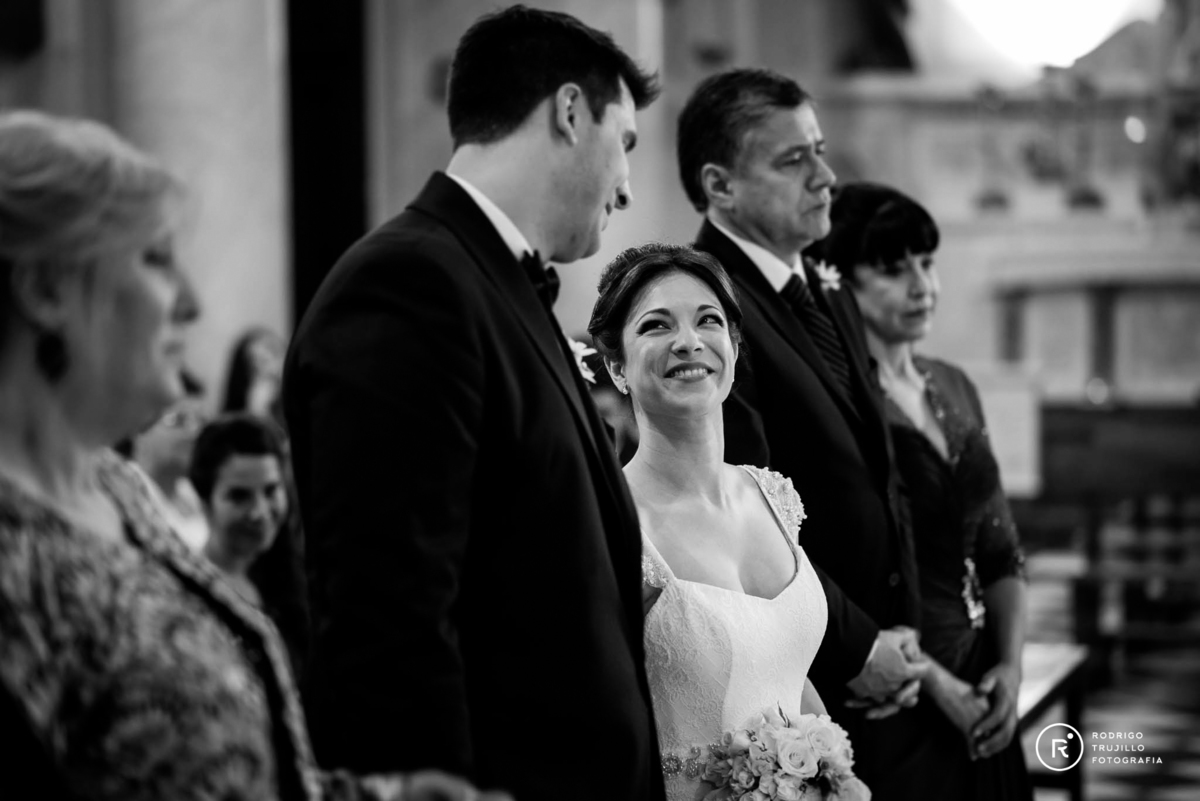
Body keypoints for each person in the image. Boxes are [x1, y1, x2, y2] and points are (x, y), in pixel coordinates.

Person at [0, 109, 506, 801]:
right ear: (45, 290)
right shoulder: (12, 553)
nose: (191, 303)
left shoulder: (113, 485)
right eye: (153, 259)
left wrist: (386, 796)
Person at [282, 6, 665, 801]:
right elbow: (389, 615)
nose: (627, 184)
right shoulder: (411, 285)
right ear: (567, 112)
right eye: (623, 143)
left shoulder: (496, 286)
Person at [677, 68, 928, 792]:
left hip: (883, 654)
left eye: (819, 150)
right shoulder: (707, 308)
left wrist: (902, 624)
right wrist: (860, 646)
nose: (827, 177)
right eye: (794, 160)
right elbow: (747, 513)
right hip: (804, 672)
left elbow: (876, 468)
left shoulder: (821, 281)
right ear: (720, 186)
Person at [588, 243, 870, 801]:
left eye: (709, 320)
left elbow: (783, 668)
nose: (688, 342)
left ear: (734, 349)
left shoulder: (771, 495)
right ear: (617, 367)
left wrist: (835, 775)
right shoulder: (611, 519)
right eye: (655, 325)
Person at [807, 181, 1032, 799]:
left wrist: (1010, 669)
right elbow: (839, 565)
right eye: (891, 269)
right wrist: (936, 683)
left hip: (983, 669)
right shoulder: (842, 405)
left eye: (926, 263)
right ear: (840, 281)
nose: (922, 286)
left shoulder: (953, 384)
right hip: (895, 682)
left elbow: (999, 547)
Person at [191, 412, 311, 679]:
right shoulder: (194, 591)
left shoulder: (297, 575)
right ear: (205, 503)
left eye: (270, 491)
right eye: (239, 496)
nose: (259, 512)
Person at [126, 368, 210, 550]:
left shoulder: (192, 494)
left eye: (200, 421)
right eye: (179, 421)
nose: (194, 432)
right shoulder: (128, 491)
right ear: (139, 428)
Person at [221, 326, 287, 426]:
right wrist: (258, 412)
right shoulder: (233, 421)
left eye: (274, 352)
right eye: (259, 362)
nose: (272, 368)